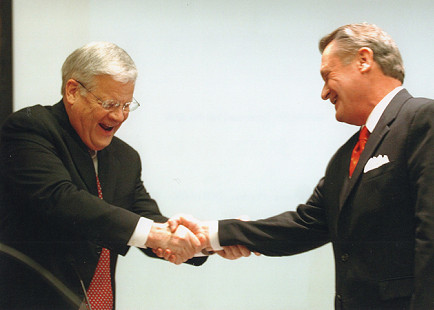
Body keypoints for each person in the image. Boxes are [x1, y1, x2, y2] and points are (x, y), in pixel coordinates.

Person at [164, 23, 434, 309]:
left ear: (364, 60)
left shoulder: (422, 119)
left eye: (327, 76)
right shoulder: (346, 155)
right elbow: (304, 225)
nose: (323, 93)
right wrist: (214, 234)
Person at [0, 42, 209, 310]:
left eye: (126, 105)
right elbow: (62, 200)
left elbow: (149, 222)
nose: (119, 116)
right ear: (73, 91)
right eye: (110, 103)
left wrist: (209, 240)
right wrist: (156, 235)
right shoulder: (31, 128)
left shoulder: (125, 158)